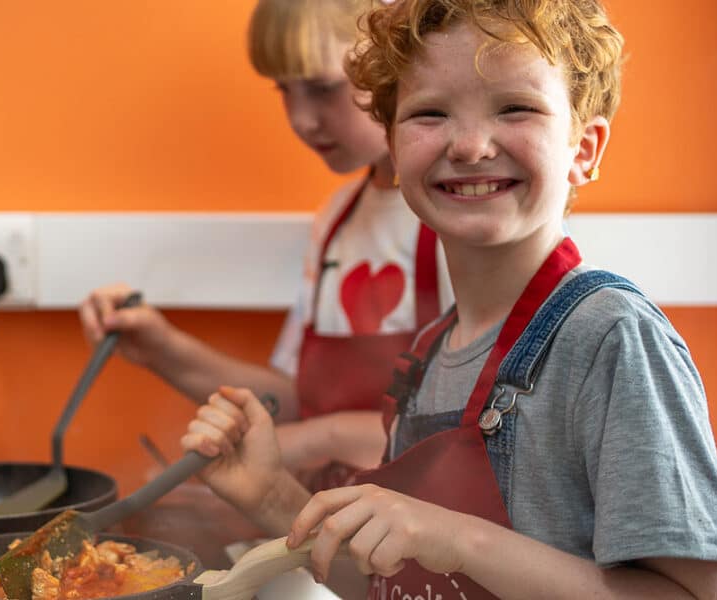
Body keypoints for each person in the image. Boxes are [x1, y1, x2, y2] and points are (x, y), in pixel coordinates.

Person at [180, 0, 717, 597]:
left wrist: (462, 540)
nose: (471, 145)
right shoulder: (427, 353)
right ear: (395, 153)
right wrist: (270, 491)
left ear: (584, 149)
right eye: (430, 113)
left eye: (516, 108)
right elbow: (393, 583)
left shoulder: (611, 337)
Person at [80, 0, 451, 491]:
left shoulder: (453, 219)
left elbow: (464, 429)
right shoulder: (337, 220)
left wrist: (311, 441)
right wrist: (161, 349)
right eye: (284, 90)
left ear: (395, 58)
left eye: (322, 88)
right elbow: (297, 402)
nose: (301, 119)